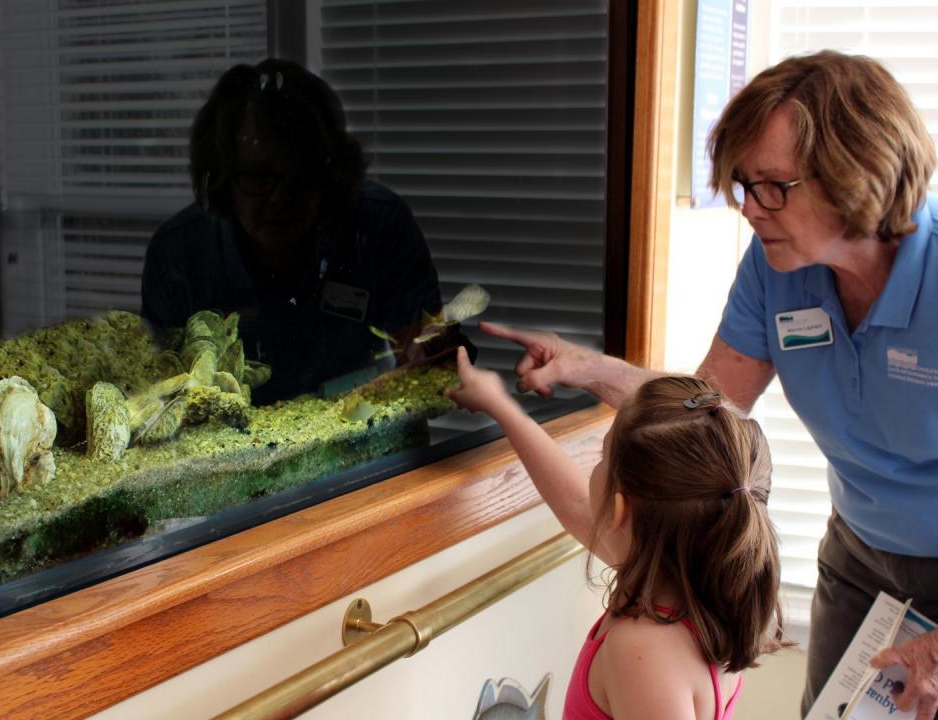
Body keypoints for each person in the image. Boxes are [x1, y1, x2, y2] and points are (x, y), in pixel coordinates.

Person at [479, 50, 938, 720]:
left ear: (856, 172)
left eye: (773, 185)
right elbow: (704, 410)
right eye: (743, 186)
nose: (751, 209)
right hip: (862, 549)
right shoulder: (779, 265)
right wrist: (589, 368)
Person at [448, 349, 786, 719]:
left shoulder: (643, 650)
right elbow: (579, 506)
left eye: (602, 457)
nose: (595, 468)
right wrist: (500, 406)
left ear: (620, 510)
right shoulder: (686, 583)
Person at [141, 58, 443, 404]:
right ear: (224, 177)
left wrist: (433, 359)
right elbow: (163, 397)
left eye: (299, 175)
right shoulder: (181, 251)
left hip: (358, 431)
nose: (280, 199)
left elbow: (424, 366)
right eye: (258, 177)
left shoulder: (378, 225)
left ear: (328, 174)